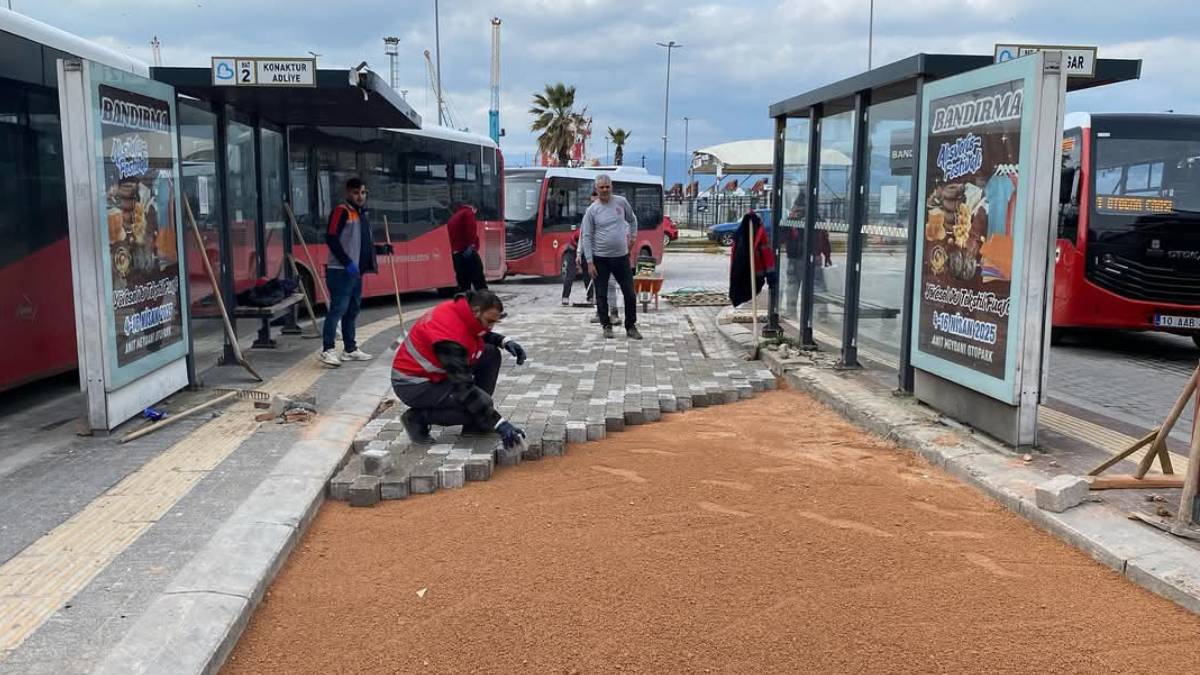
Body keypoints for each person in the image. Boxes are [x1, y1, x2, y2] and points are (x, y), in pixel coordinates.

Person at [391, 290, 528, 449]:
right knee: (480, 403)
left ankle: (477, 423)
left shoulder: (461, 310)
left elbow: (474, 330)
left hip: (435, 374)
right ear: (476, 311)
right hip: (413, 384)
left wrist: (504, 341)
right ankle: (416, 418)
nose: (490, 327)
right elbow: (464, 388)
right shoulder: (448, 338)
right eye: (489, 321)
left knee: (490, 353)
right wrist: (499, 423)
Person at [320, 177, 390, 367]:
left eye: (363, 192)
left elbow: (362, 245)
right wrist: (347, 262)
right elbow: (331, 238)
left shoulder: (360, 215)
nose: (360, 196)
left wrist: (381, 250)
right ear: (347, 193)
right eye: (356, 192)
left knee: (352, 310)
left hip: (355, 272)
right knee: (338, 309)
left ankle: (350, 349)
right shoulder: (341, 212)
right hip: (340, 271)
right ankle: (327, 350)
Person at [580, 174, 641, 340]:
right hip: (600, 259)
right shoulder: (592, 210)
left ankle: (631, 326)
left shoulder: (621, 203)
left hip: (621, 257)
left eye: (607, 186)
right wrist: (589, 261)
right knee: (601, 294)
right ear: (596, 189)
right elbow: (586, 236)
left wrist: (633, 237)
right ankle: (606, 326)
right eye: (601, 187)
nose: (605, 190)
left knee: (629, 293)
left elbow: (632, 220)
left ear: (611, 186)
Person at [728, 210, 777, 308]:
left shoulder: (756, 235)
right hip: (744, 273)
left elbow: (767, 256)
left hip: (756, 274)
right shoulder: (740, 236)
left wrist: (771, 277)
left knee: (751, 291)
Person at [447, 202, 488, 293]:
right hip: (467, 252)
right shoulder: (468, 213)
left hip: (456, 254)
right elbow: (471, 230)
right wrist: (471, 245)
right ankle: (485, 303)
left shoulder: (453, 217)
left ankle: (464, 303)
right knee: (479, 281)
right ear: (473, 207)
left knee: (463, 284)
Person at [561, 225, 595, 306]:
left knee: (588, 274)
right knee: (570, 274)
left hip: (584, 252)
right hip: (572, 251)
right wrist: (578, 256)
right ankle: (565, 297)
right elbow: (579, 245)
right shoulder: (580, 233)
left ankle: (590, 297)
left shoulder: (595, 234)